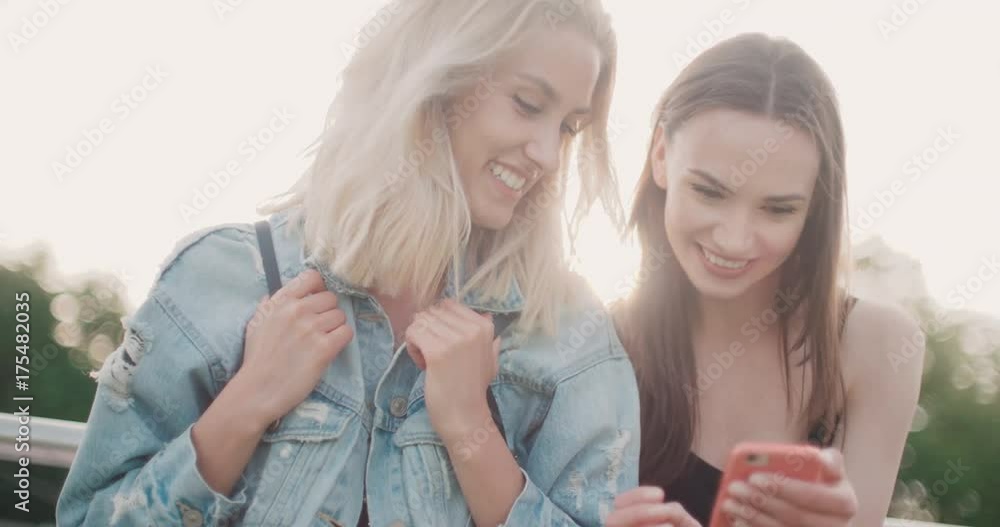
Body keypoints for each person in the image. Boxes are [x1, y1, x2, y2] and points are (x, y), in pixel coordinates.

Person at [56, 1, 640, 525]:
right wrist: (246, 404)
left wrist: (473, 431)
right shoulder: (220, 278)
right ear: (433, 79)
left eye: (568, 128)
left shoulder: (568, 337)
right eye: (527, 104)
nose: (548, 155)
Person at [605, 33, 925, 527]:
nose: (734, 240)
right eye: (709, 192)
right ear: (661, 156)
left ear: (814, 206)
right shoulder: (602, 344)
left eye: (778, 210)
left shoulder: (876, 346)